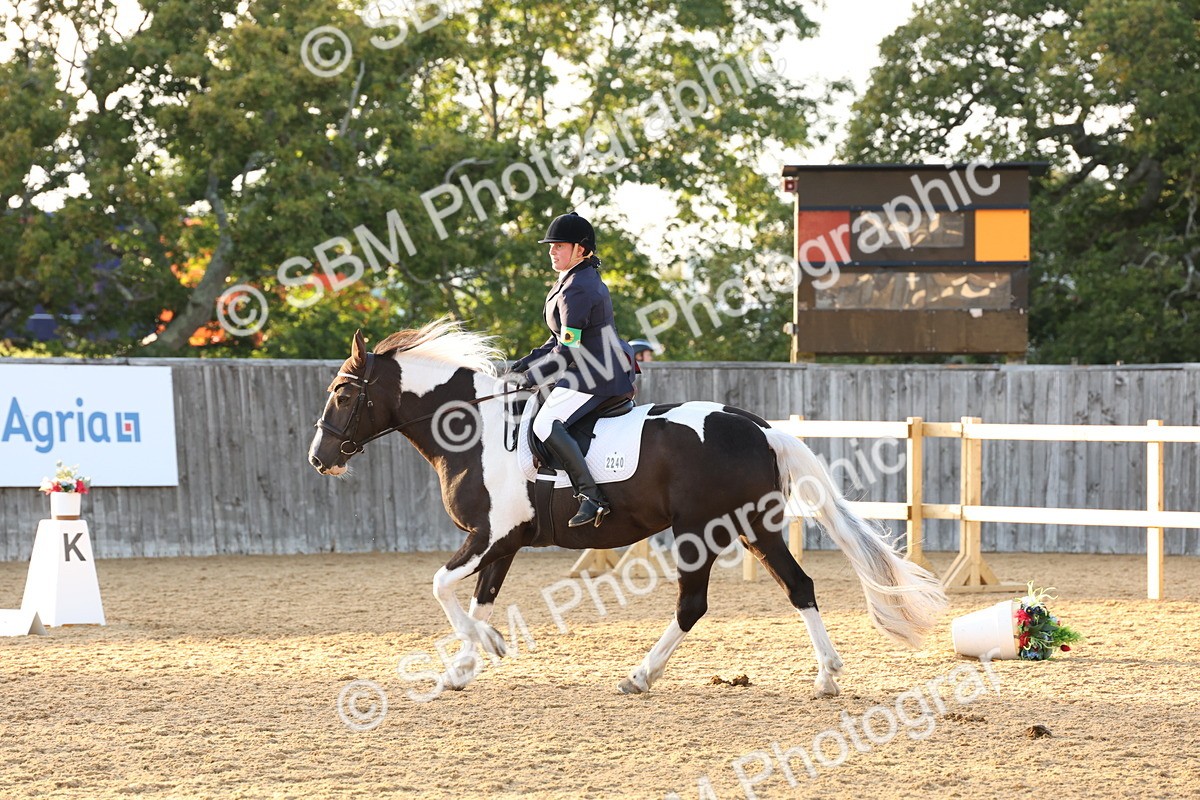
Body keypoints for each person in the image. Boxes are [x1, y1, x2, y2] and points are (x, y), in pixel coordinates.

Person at [507, 211, 635, 528]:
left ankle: (591, 496)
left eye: (559, 246)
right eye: (551, 246)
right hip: (588, 366)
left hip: (598, 374)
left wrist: (531, 380)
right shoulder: (571, 280)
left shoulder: (578, 288)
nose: (552, 251)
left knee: (547, 422)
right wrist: (522, 365)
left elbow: (567, 351)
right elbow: (557, 339)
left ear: (581, 249)